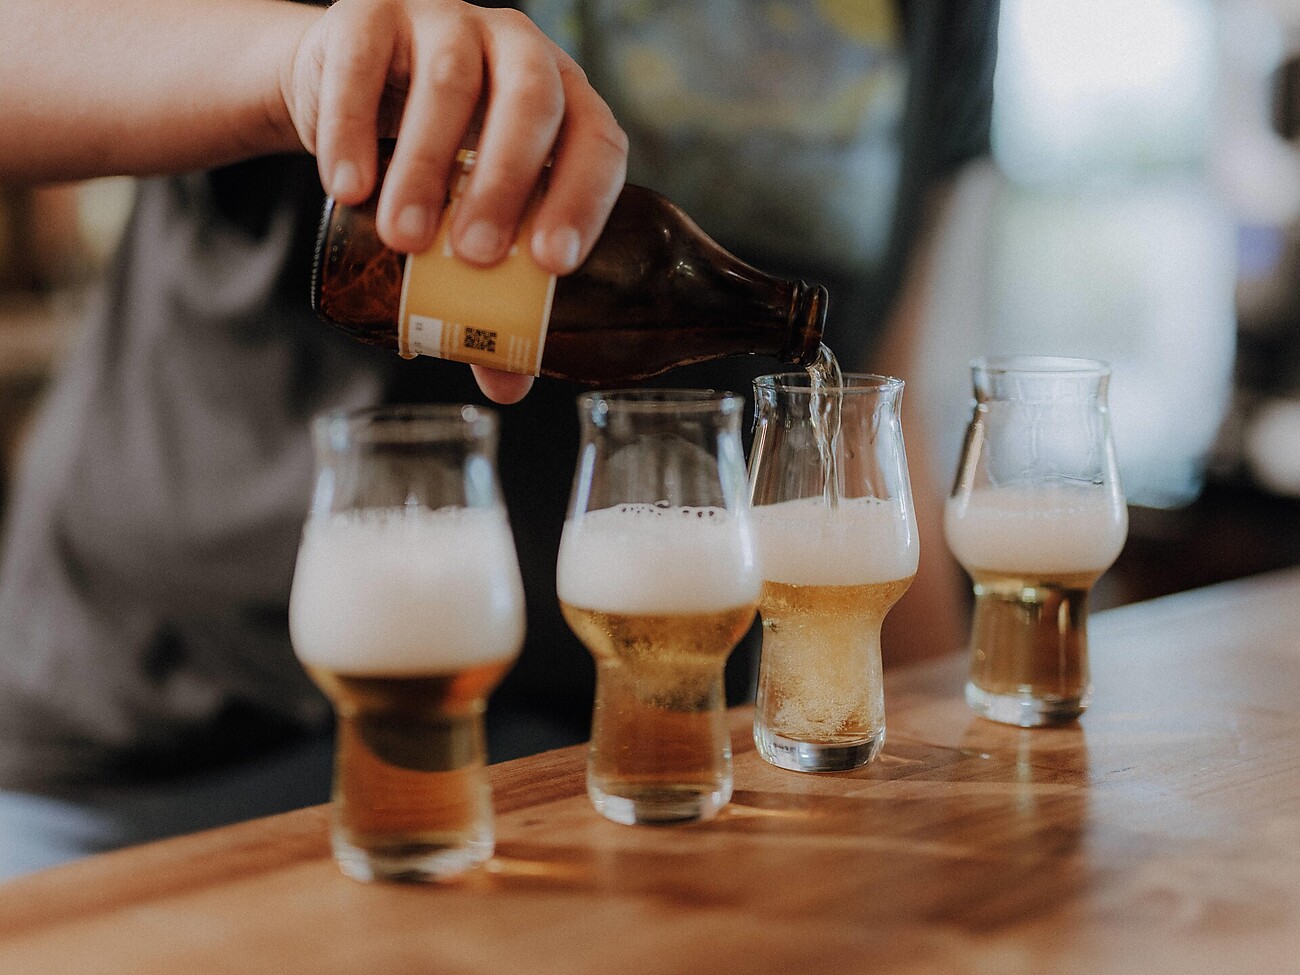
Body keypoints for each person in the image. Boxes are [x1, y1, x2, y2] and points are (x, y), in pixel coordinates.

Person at [0, 0, 997, 878]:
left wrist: (946, 781)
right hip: (158, 747)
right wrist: (298, 64)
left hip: (564, 777)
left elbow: (872, 412)